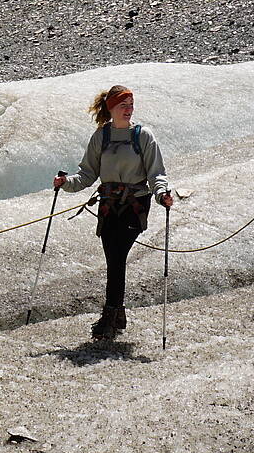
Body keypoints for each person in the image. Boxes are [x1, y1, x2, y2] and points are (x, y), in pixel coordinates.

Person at [54, 85, 173, 340]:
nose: (129, 110)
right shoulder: (101, 137)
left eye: (131, 104)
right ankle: (117, 315)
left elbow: (156, 173)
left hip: (135, 206)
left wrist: (162, 194)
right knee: (114, 258)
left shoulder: (144, 136)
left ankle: (109, 316)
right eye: (124, 105)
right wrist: (66, 184)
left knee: (117, 257)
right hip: (108, 208)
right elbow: (87, 174)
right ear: (112, 109)